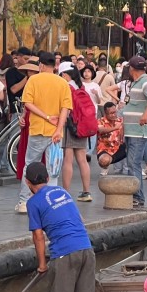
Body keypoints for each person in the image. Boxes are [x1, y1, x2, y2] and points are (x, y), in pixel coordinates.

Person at [25, 161, 96, 292]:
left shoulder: (33, 202)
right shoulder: (63, 193)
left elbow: (38, 236)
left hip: (65, 254)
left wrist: (42, 265)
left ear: (27, 182)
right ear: (48, 179)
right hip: (87, 250)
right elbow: (80, 220)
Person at [16, 52, 72, 214]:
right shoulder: (62, 83)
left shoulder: (33, 80)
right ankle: (50, 202)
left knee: (30, 164)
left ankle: (24, 201)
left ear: (40, 65)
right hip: (55, 133)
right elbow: (65, 109)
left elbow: (28, 104)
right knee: (52, 167)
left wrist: (46, 117)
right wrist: (58, 128)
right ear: (54, 65)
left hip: (38, 129)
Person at [120, 55, 147, 209]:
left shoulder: (144, 82)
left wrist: (145, 114)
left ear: (132, 69)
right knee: (131, 163)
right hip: (131, 130)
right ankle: (135, 195)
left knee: (133, 163)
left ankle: (138, 197)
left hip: (138, 132)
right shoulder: (135, 83)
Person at [56, 63, 92, 201]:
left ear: (65, 74)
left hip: (70, 125)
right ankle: (86, 192)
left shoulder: (66, 87)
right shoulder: (81, 86)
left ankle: (66, 192)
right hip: (82, 125)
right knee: (82, 160)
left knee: (68, 160)